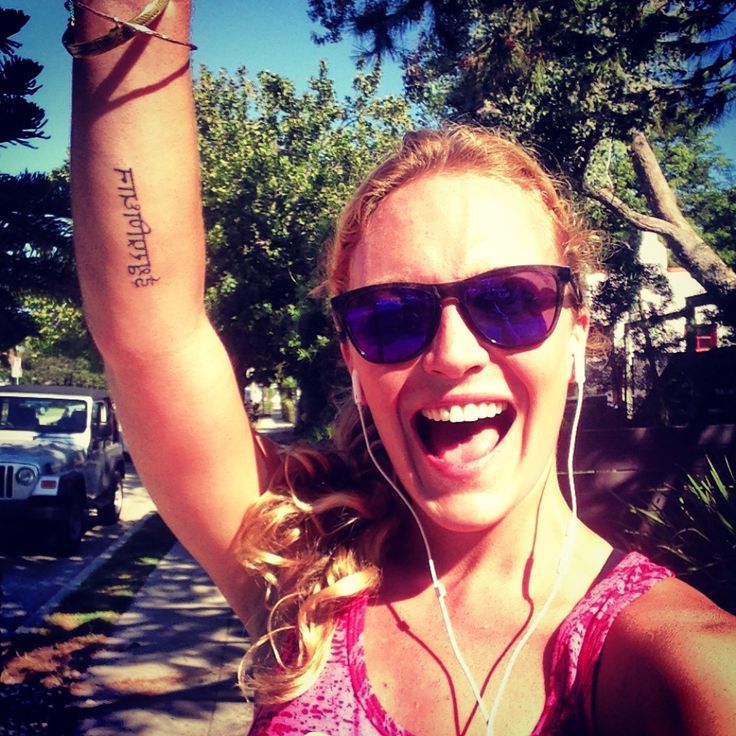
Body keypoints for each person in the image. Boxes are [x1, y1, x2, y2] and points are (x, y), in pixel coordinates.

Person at [68, 2, 736, 734]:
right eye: (392, 315)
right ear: (351, 351)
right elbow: (151, 331)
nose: (452, 354)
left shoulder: (677, 661)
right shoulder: (309, 571)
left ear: (577, 335)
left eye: (511, 301)